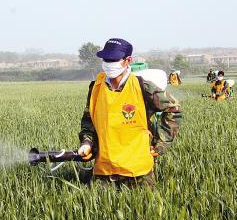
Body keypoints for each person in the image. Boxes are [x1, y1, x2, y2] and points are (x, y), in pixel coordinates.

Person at [78, 38, 183, 187]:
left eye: (113, 59)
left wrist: (161, 143)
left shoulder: (142, 87)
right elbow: (89, 123)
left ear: (128, 60)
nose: (109, 64)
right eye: (106, 59)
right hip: (105, 170)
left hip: (138, 171)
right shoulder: (95, 88)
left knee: (143, 208)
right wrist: (87, 143)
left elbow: (174, 109)